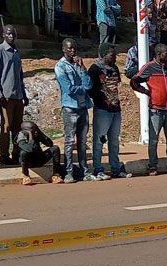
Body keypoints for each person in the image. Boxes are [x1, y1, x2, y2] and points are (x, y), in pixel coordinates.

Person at [132, 43, 167, 176]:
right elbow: (134, 81)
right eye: (166, 53)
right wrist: (145, 91)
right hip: (155, 110)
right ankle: (152, 165)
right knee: (154, 139)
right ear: (158, 54)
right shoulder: (149, 67)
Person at [55, 38, 95, 182]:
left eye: (74, 48)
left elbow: (89, 84)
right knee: (70, 141)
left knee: (83, 141)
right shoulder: (60, 67)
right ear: (64, 49)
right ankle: (68, 172)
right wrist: (84, 88)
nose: (73, 50)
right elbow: (68, 89)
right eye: (70, 48)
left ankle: (85, 171)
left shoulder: (78, 64)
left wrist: (83, 68)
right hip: (70, 108)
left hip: (83, 107)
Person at [88, 44, 130, 179]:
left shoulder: (115, 68)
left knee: (114, 140)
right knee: (99, 140)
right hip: (102, 110)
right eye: (112, 54)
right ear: (104, 54)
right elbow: (90, 89)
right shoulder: (95, 69)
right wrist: (102, 100)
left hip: (116, 109)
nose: (115, 57)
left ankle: (115, 168)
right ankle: (98, 168)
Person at [0, 25, 27, 166]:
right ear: (3, 35)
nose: (11, 36)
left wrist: (24, 94)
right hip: (6, 97)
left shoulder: (16, 52)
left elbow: (20, 75)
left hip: (18, 96)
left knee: (18, 128)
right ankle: (4, 156)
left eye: (13, 34)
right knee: (6, 127)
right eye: (9, 34)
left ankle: (16, 153)